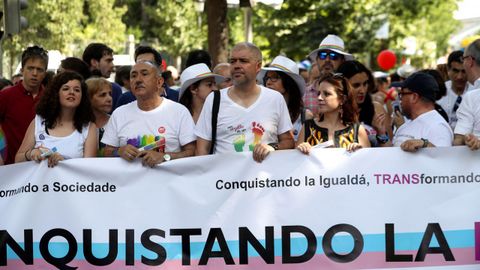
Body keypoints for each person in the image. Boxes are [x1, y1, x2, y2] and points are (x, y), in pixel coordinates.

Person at [195, 42, 294, 162]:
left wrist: (272, 147)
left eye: (243, 61)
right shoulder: (214, 99)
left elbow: (288, 141)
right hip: (224, 179)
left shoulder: (275, 99)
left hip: (264, 179)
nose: (236, 65)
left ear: (258, 66)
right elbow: (202, 149)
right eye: (233, 61)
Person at [102, 60, 196, 167]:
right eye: (133, 76)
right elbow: (107, 152)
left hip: (169, 182)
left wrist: (165, 157)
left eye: (144, 74)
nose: (138, 80)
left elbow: (192, 152)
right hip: (128, 182)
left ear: (159, 82)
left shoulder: (179, 112)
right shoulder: (119, 114)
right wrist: (119, 151)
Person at [15, 71, 97, 167]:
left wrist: (64, 162)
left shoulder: (89, 127)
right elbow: (18, 159)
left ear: (82, 97)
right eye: (66, 89)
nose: (72, 92)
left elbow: (89, 167)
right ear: (56, 94)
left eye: (77, 90)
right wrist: (31, 153)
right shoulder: (39, 121)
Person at [296, 73, 370, 154]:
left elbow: (368, 163)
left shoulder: (357, 130)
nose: (319, 98)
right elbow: (294, 162)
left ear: (342, 99)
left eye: (327, 94)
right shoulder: (307, 127)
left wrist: (359, 152)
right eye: (318, 93)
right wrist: (301, 149)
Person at [0, 45, 49, 165]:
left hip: (43, 166)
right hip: (10, 167)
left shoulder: (51, 97)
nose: (35, 73)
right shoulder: (5, 95)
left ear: (45, 73)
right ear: (22, 70)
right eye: (30, 68)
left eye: (40, 69)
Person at [382, 72, 453, 152]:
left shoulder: (438, 127)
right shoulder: (405, 124)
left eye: (402, 94)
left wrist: (425, 144)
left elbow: (444, 159)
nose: (399, 99)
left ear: (414, 97)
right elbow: (390, 153)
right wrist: (381, 132)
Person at [337, 61, 391, 146]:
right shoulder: (334, 111)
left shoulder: (377, 109)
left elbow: (390, 149)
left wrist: (381, 134)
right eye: (356, 85)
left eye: (365, 83)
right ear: (342, 86)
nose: (362, 90)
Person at [258, 55, 312, 140]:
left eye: (274, 77)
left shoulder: (305, 116)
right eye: (267, 78)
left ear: (288, 83)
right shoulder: (259, 111)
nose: (268, 82)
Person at [304, 34, 353, 115]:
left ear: (342, 61)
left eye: (333, 56)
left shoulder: (350, 92)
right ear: (317, 60)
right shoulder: (304, 93)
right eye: (322, 55)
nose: (327, 60)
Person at [453, 39, 480, 149]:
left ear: (469, 61)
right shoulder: (471, 95)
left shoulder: (471, 96)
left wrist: (467, 139)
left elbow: (458, 141)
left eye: (463, 59)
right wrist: (468, 139)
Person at [82, 43, 122, 111]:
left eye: (109, 94)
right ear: (94, 62)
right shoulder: (114, 89)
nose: (112, 65)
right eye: (108, 61)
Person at [437, 51, 469, 130]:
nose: (459, 77)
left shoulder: (476, 93)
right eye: (455, 71)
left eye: (464, 71)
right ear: (448, 69)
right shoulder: (439, 91)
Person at [86, 77, 112, 156]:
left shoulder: (116, 121)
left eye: (110, 94)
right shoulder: (79, 124)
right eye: (102, 95)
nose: (109, 98)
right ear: (88, 98)